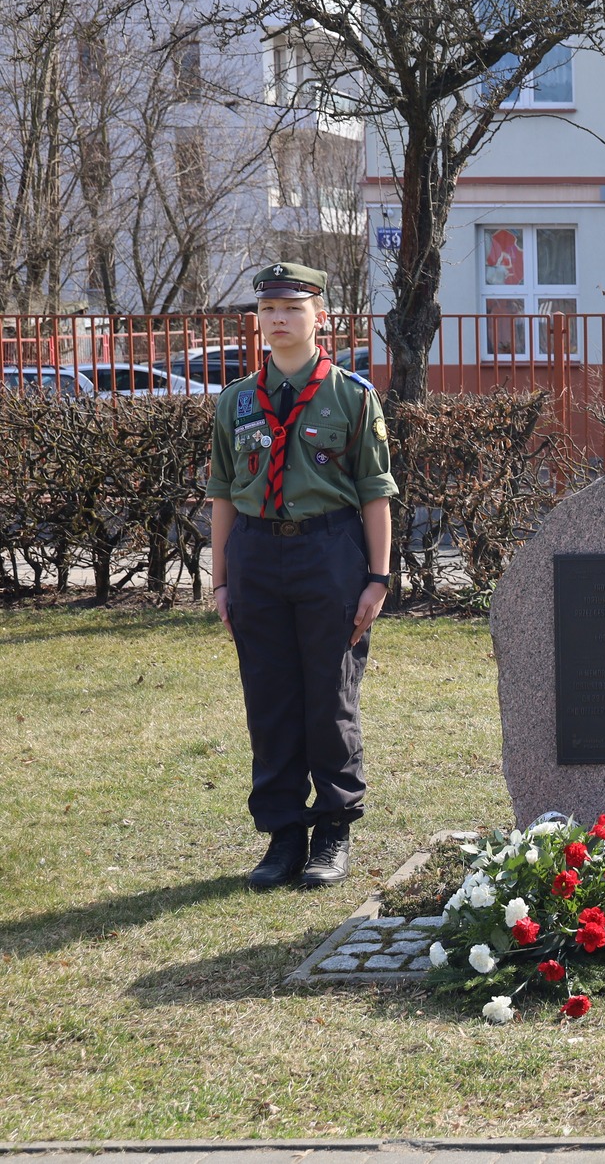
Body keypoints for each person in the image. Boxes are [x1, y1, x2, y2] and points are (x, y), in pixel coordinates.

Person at [206, 263, 397, 890]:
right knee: (270, 697)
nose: (279, 319)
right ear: (258, 320)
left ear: (320, 317)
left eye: (292, 307)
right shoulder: (236, 401)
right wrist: (222, 580)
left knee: (330, 694)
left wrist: (377, 578)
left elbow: (374, 493)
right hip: (258, 553)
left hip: (329, 552)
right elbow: (224, 496)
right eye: (268, 309)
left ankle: (333, 831)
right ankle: (284, 835)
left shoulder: (351, 396)